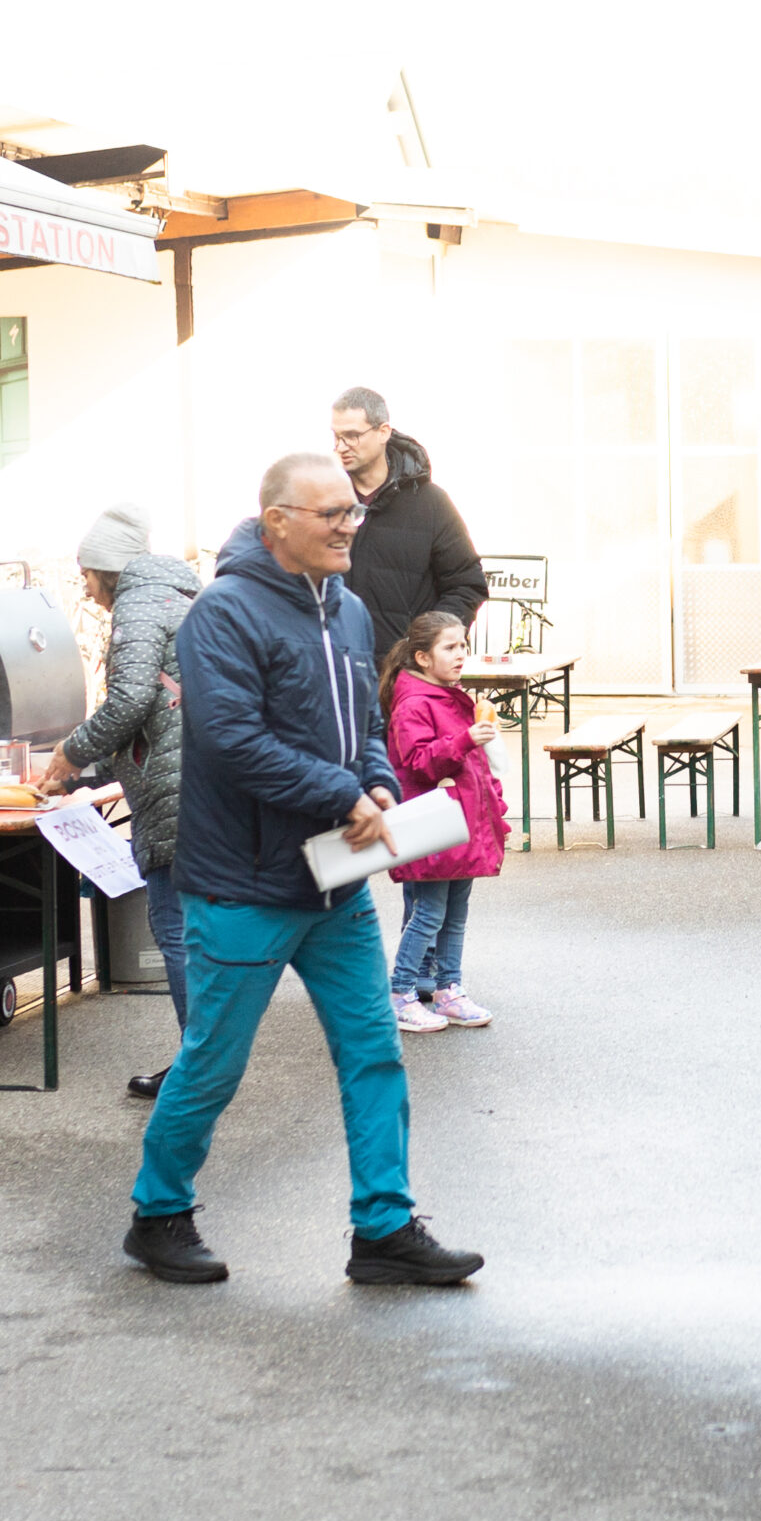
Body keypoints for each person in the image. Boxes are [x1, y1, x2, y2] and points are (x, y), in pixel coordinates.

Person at [123, 451, 483, 1290]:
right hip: (244, 885)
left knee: (373, 1052)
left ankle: (384, 1228)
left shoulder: (350, 612)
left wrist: (379, 777)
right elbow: (232, 739)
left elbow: (360, 721)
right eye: (332, 516)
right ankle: (157, 1212)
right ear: (276, 520)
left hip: (337, 879)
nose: (350, 527)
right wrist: (340, 790)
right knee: (212, 1061)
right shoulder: (221, 614)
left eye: (353, 513)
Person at [39, 502, 199, 1099]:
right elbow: (155, 707)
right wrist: (86, 773)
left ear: (108, 567)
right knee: (195, 928)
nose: (84, 585)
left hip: (175, 790)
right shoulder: (178, 594)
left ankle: (198, 1069)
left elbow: (130, 701)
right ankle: (203, 1060)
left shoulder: (137, 603)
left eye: (85, 571)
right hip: (197, 778)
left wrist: (72, 753)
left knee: (176, 927)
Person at [379, 609, 508, 1034]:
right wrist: (466, 738)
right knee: (429, 913)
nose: (460, 655)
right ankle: (401, 993)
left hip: (461, 823)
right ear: (421, 657)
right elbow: (418, 762)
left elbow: (473, 766)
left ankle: (448, 988)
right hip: (434, 824)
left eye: (463, 646)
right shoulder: (414, 703)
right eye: (449, 648)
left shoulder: (451, 695)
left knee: (455, 913)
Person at [330, 386, 489, 664]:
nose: (341, 447)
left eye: (352, 436)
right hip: (334, 675)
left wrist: (426, 646)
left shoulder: (430, 504)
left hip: (407, 682)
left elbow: (466, 585)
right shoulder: (324, 502)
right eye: (337, 436)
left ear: (383, 432)